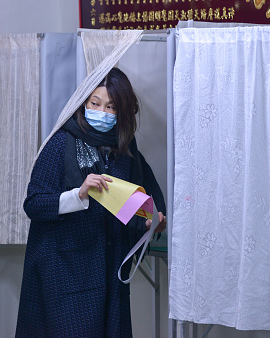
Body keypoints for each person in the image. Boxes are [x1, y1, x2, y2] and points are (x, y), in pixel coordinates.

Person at [15, 67, 166, 337]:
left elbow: (138, 205)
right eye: (95, 104)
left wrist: (148, 224)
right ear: (83, 102)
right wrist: (78, 194)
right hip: (64, 273)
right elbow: (34, 203)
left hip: (108, 273)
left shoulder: (126, 149)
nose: (102, 112)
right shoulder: (60, 143)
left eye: (111, 107)